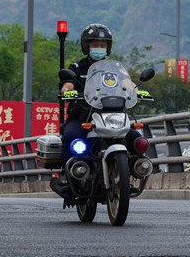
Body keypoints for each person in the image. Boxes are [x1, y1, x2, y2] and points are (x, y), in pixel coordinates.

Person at [59, 23, 146, 183]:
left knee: (136, 138)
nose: (99, 48)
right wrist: (67, 90)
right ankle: (69, 175)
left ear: (108, 47)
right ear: (87, 46)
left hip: (112, 117)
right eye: (94, 45)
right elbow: (67, 84)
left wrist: (134, 89)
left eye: (102, 45)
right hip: (83, 118)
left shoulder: (115, 70)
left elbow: (127, 82)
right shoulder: (77, 68)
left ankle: (136, 169)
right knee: (72, 135)